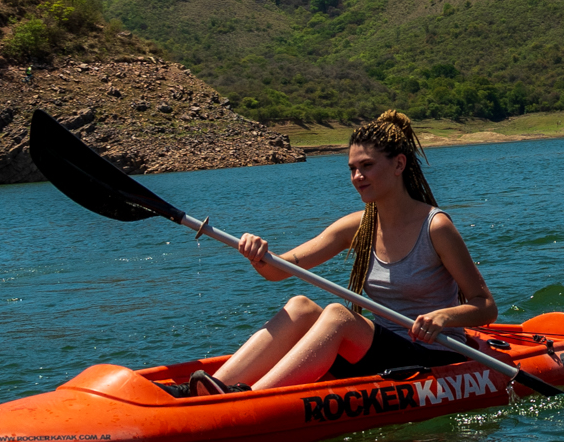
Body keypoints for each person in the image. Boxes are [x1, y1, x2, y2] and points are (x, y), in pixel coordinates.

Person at [185, 110, 497, 393]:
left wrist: (444, 316)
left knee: (338, 315)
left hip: (434, 355)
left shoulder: (435, 227)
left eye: (367, 166)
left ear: (399, 164)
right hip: (378, 352)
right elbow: (280, 269)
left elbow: (484, 306)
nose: (357, 177)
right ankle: (210, 389)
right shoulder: (357, 226)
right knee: (300, 306)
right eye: (352, 169)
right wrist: (258, 254)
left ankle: (249, 400)